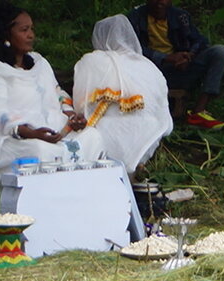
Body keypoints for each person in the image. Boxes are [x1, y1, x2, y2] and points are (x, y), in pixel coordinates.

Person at [0, 4, 82, 170]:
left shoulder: (39, 62)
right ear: (6, 33)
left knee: (94, 136)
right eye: (24, 30)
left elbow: (58, 93)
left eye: (32, 29)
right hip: (11, 137)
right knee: (39, 151)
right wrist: (31, 133)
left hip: (54, 131)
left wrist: (72, 116)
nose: (31, 35)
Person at [130, 0, 224, 131]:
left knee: (220, 51)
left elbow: (199, 41)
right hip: (149, 74)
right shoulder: (135, 18)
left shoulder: (180, 17)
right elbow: (131, 48)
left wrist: (187, 56)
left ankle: (198, 111)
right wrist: (166, 58)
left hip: (179, 69)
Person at [71, 15, 172, 173]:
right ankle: (138, 165)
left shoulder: (90, 61)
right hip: (148, 135)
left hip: (105, 136)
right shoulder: (146, 64)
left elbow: (79, 105)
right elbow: (163, 106)